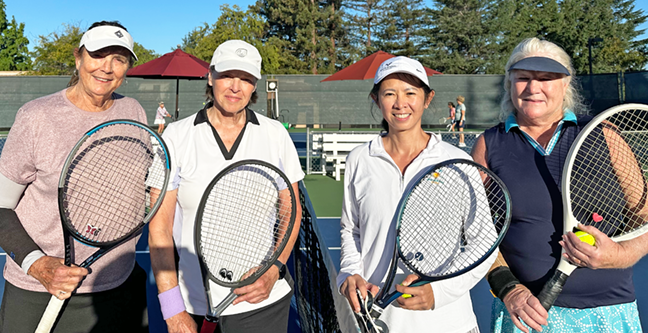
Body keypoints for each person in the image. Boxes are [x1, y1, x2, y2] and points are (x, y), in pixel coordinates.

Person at [472, 37, 645, 333]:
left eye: (546, 78)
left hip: (608, 315)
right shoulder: (489, 145)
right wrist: (509, 288)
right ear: (509, 84)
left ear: (565, 84)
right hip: (525, 318)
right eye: (523, 78)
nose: (533, 88)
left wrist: (619, 255)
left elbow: (645, 219)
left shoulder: (605, 134)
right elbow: (476, 232)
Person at [0, 21, 149, 332]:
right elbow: (0, 206)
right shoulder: (36, 116)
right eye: (98, 55)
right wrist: (38, 265)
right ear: (79, 58)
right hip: (38, 292)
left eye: (119, 59)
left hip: (119, 288)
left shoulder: (134, 111)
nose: (107, 68)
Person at [149, 39, 303, 333]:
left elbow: (291, 209)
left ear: (255, 86)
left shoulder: (275, 135)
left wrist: (274, 270)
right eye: (227, 76)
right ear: (210, 76)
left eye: (246, 79)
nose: (235, 87)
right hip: (193, 304)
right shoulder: (176, 137)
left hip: (263, 303)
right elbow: (159, 229)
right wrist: (172, 309)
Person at [337, 56, 496, 333]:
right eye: (390, 94)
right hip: (376, 322)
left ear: (427, 98)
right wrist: (349, 274)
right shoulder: (359, 159)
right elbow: (352, 230)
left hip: (449, 323)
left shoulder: (457, 162)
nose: (401, 103)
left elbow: (484, 242)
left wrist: (440, 292)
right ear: (376, 100)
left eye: (411, 93)